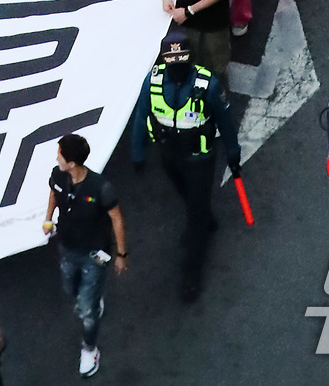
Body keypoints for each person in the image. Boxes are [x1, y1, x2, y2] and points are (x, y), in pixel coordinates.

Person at [140, 28, 244, 301]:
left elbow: (225, 121)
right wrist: (138, 152)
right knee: (188, 198)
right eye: (171, 63)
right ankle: (205, 217)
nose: (176, 69)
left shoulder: (207, 85)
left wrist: (233, 153)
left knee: (194, 214)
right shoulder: (152, 82)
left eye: (181, 63)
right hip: (169, 157)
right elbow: (143, 114)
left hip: (200, 159)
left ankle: (191, 272)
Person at [44, 132, 127, 376]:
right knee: (71, 288)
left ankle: (90, 349)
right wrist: (48, 219)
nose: (56, 157)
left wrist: (122, 254)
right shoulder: (58, 174)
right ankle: (91, 297)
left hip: (94, 254)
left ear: (71, 162)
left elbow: (117, 220)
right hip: (67, 247)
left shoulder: (101, 188)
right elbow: (53, 192)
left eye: (60, 154)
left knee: (86, 311)